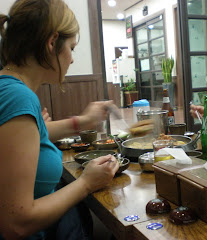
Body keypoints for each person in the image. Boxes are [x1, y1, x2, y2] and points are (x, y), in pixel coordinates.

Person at [0, 1, 119, 239]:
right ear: (52, 43)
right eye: (72, 48)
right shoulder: (17, 97)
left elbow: (34, 134)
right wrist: (87, 183)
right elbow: (15, 223)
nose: (72, 59)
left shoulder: (10, 88)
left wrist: (84, 121)